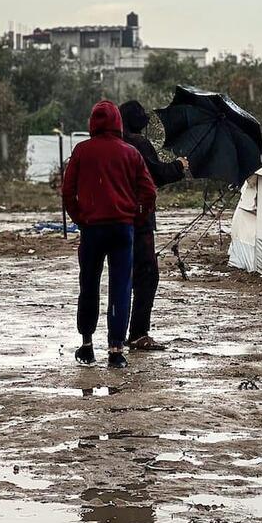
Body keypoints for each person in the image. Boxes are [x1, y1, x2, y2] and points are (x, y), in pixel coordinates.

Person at [63, 101, 156, 369]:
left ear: (92, 122)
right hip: (122, 229)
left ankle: (87, 344)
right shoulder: (130, 152)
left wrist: (80, 218)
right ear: (118, 122)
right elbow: (149, 192)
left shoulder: (82, 151)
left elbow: (67, 192)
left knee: (89, 284)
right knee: (121, 288)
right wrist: (135, 216)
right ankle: (116, 350)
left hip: (92, 229)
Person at [118, 100, 189, 351]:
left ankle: (115, 337)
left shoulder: (110, 144)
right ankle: (138, 334)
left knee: (120, 278)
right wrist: (179, 166)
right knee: (147, 277)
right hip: (139, 222)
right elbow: (156, 176)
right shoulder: (138, 144)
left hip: (112, 222)